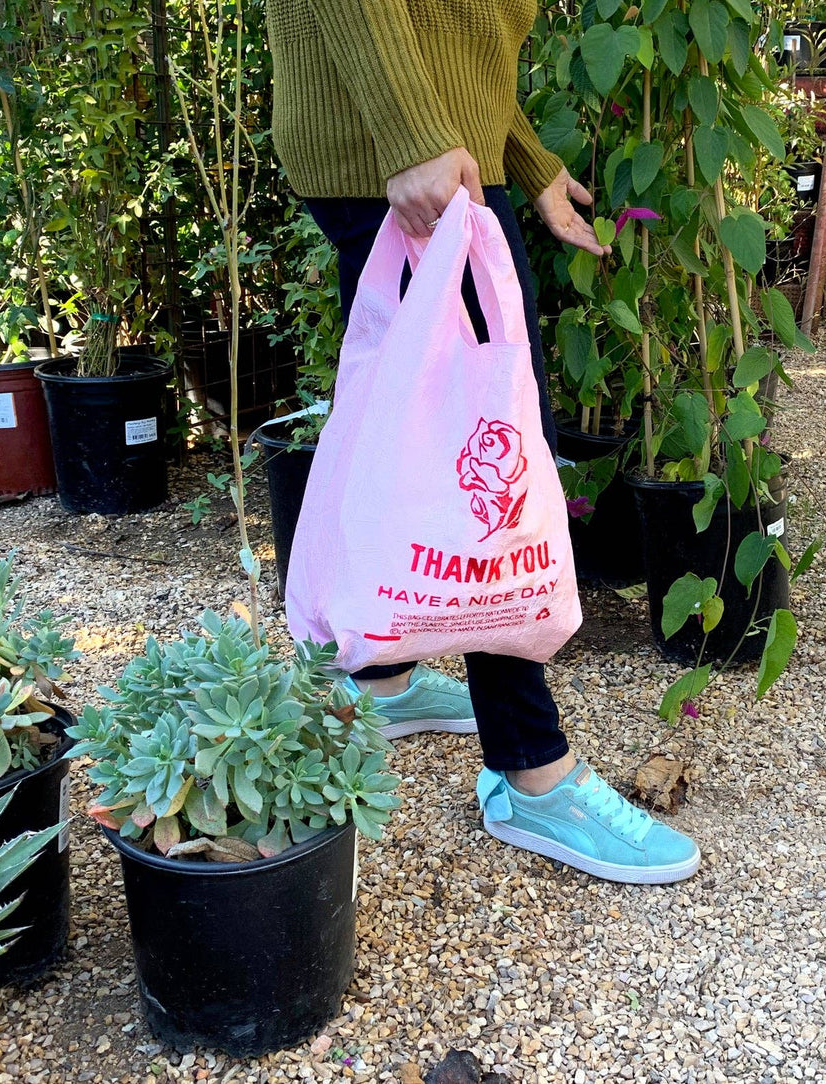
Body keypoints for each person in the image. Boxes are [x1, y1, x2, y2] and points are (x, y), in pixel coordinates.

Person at [267, 0, 699, 884]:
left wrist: (526, 162)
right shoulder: (408, 140)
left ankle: (382, 679)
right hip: (394, 142)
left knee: (434, 438)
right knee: (491, 462)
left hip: (422, 136)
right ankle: (532, 776)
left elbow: (461, 40)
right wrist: (412, 134)